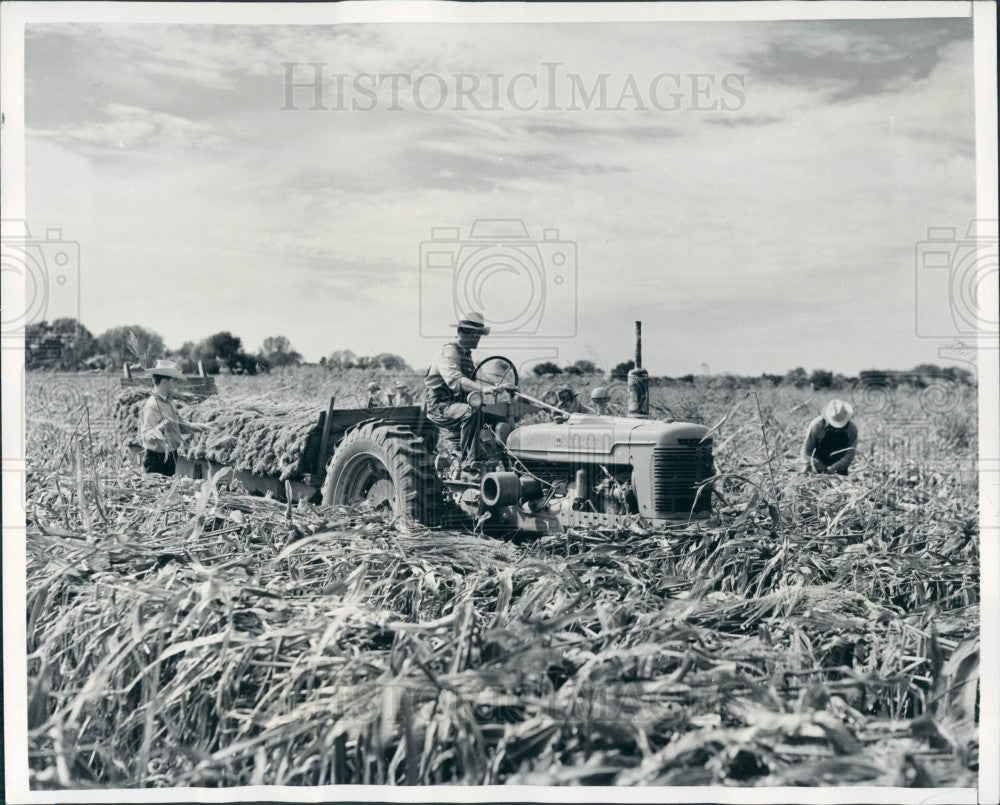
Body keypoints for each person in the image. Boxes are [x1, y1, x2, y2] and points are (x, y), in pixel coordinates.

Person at [423, 312, 511, 464]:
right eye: (476, 334)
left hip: (458, 405)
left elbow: (478, 378)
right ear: (462, 332)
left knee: (500, 417)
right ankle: (469, 464)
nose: (478, 338)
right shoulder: (449, 351)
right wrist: (482, 389)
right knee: (470, 413)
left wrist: (498, 386)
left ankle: (507, 463)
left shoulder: (467, 355)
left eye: (479, 334)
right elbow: (455, 379)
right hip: (439, 406)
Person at [139, 360, 212, 476]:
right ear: (164, 382)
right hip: (156, 460)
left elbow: (180, 426)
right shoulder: (152, 405)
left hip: (171, 457)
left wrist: (206, 427)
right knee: (156, 492)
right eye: (174, 381)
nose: (176, 384)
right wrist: (161, 427)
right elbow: (146, 436)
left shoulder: (170, 401)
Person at [802, 399, 858, 476]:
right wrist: (810, 464)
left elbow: (850, 454)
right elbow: (806, 449)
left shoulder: (851, 429)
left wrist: (832, 468)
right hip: (817, 467)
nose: (837, 428)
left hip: (839, 469)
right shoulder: (817, 425)